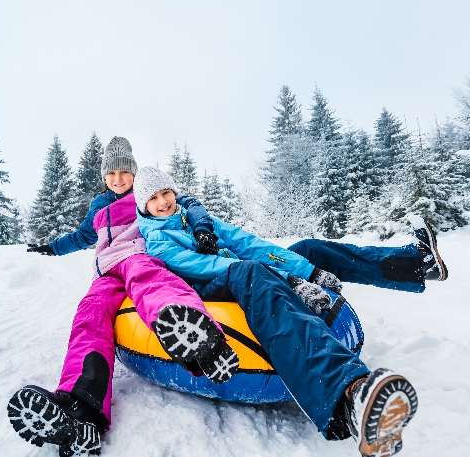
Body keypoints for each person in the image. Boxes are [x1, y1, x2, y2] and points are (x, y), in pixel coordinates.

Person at [133, 166, 426, 457]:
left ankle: (413, 265)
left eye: (166, 192)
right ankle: (351, 395)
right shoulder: (159, 242)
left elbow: (247, 243)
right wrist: (288, 279)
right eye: (154, 198)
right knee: (250, 271)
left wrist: (304, 268)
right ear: (143, 207)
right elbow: (210, 267)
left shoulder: (196, 218)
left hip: (245, 269)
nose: (163, 201)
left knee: (308, 249)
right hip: (213, 289)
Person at [7, 138, 239, 457]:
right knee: (89, 316)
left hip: (138, 256)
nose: (118, 178)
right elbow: (81, 237)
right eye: (111, 173)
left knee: (150, 282)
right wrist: (49, 247)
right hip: (106, 270)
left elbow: (189, 204)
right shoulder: (98, 207)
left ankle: (200, 337)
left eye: (124, 172)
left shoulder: (144, 193)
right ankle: (80, 410)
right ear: (104, 176)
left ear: (133, 173)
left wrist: (202, 230)